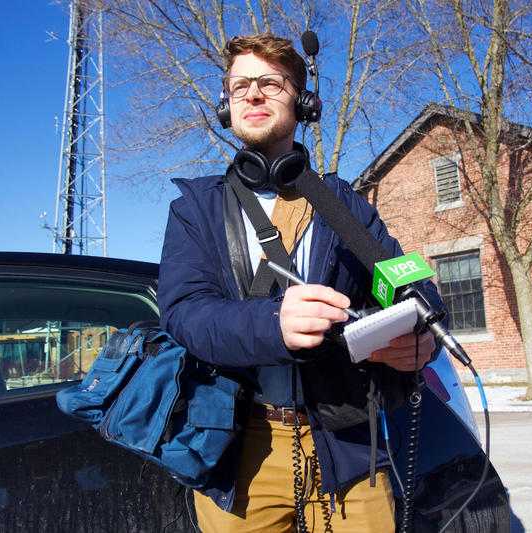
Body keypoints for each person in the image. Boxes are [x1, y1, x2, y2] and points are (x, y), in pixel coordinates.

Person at [158, 33, 442, 533]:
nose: (252, 94)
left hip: (350, 445)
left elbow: (408, 281)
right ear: (226, 105)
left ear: (303, 101)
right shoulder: (195, 209)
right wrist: (273, 322)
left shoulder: (343, 202)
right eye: (238, 85)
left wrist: (422, 334)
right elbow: (185, 313)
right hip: (240, 449)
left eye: (270, 82)